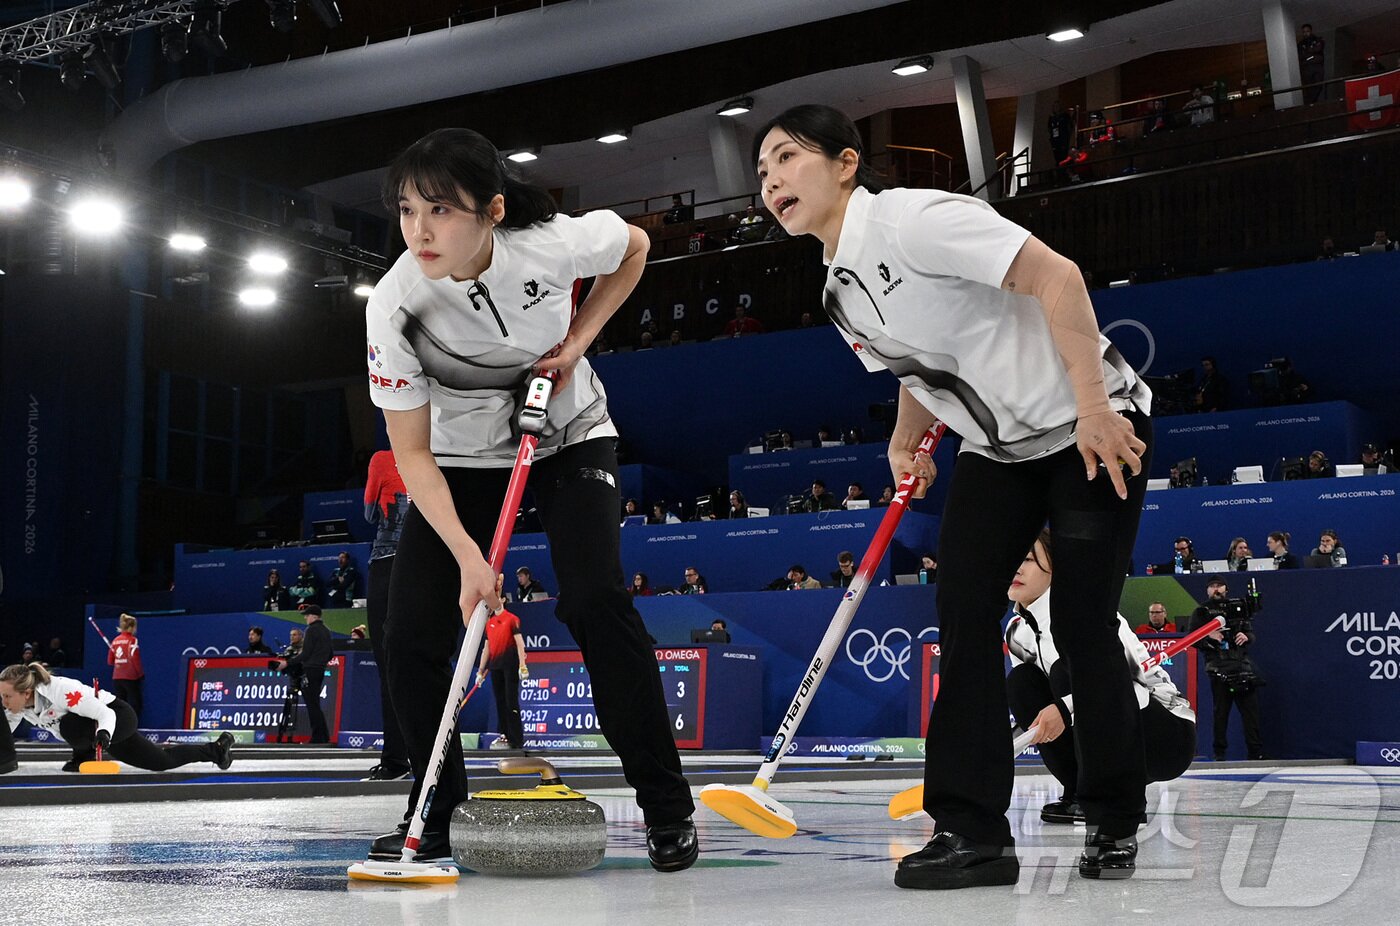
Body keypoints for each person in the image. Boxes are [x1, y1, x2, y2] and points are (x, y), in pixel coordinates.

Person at [753, 104, 1152, 888]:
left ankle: (1111, 816)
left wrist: (1097, 408)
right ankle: (973, 832)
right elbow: (918, 368)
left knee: (1080, 618)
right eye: (760, 171)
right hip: (998, 448)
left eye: (786, 158)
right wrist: (906, 438)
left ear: (845, 163)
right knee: (963, 613)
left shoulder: (914, 220)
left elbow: (1056, 276)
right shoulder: (837, 288)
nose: (770, 180)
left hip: (1088, 427)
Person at [363, 127, 695, 871]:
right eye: (408, 210)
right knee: (411, 629)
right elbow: (411, 453)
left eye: (440, 210)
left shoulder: (552, 243)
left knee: (594, 599)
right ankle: (435, 807)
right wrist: (467, 557)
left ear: (493, 211)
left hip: (571, 435)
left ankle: (666, 806)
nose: (419, 229)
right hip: (458, 462)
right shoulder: (395, 307)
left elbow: (636, 247)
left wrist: (578, 339)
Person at [1005, 531, 1195, 828]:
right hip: (1104, 725)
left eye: (1027, 559)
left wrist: (1065, 708)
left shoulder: (1085, 614)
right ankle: (1079, 793)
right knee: (1021, 682)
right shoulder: (1017, 631)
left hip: (1163, 735)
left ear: (1056, 566)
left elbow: (1129, 691)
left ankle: (1120, 797)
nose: (1014, 568)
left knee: (1067, 672)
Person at [1, 662, 233, 773]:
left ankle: (84, 755)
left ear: (27, 692)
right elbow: (4, 732)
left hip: (117, 717)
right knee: (161, 762)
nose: (4, 702)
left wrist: (103, 734)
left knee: (69, 725)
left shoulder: (60, 690)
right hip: (97, 728)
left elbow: (104, 714)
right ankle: (217, 749)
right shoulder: (17, 707)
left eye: (7, 696)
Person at [363, 447, 412, 780]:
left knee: (389, 664)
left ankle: (396, 760)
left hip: (387, 561)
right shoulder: (442, 452)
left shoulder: (382, 458)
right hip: (427, 561)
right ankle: (427, 764)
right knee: (422, 666)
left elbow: (369, 513)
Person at [1189, 579, 1265, 760]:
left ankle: (1256, 753)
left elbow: (1251, 633)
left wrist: (1246, 636)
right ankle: (1219, 754)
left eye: (1219, 586)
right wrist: (1209, 636)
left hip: (1241, 664)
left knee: (1251, 712)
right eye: (1212, 586)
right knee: (1221, 712)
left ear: (1226, 589)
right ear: (1207, 590)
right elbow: (1192, 639)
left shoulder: (1238, 607)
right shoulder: (1202, 612)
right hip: (1217, 666)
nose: (1216, 589)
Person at [476, 575, 528, 751]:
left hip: (510, 665)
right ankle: (505, 735)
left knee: (510, 701)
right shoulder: (489, 623)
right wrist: (480, 672)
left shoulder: (511, 619)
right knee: (499, 701)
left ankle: (517, 739)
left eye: (497, 597)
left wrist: (523, 665)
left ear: (503, 599)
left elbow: (520, 643)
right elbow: (486, 648)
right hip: (495, 666)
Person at [276, 605, 332, 744]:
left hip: (310, 670)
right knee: (315, 703)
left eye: (307, 615)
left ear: (314, 616)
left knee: (312, 704)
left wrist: (287, 663)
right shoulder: (326, 631)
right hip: (320, 670)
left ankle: (318, 737)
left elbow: (305, 653)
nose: (306, 618)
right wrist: (321, 662)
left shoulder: (311, 630)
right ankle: (323, 736)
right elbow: (330, 653)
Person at [108, 614, 145, 723]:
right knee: (135, 704)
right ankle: (132, 728)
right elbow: (135, 659)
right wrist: (140, 674)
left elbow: (110, 661)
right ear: (132, 627)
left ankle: (120, 727)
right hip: (131, 677)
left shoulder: (115, 641)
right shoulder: (133, 640)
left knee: (120, 705)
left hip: (117, 677)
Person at [1297, 24, 1326, 104]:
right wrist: (1311, 53)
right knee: (1308, 88)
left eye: (1307, 31)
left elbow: (1318, 49)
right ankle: (1311, 103)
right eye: (1304, 32)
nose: (1306, 33)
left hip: (1317, 67)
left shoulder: (1318, 40)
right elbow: (1301, 55)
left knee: (1318, 85)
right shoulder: (1301, 44)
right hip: (1307, 68)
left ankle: (1312, 102)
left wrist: (1308, 53)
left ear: (1311, 31)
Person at [1047, 100, 1073, 165]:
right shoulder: (1052, 117)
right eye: (1055, 106)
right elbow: (1049, 128)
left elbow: (1070, 126)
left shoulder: (1065, 116)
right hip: (1055, 140)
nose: (1056, 108)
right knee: (1057, 157)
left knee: (1064, 156)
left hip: (1063, 139)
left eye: (1057, 106)